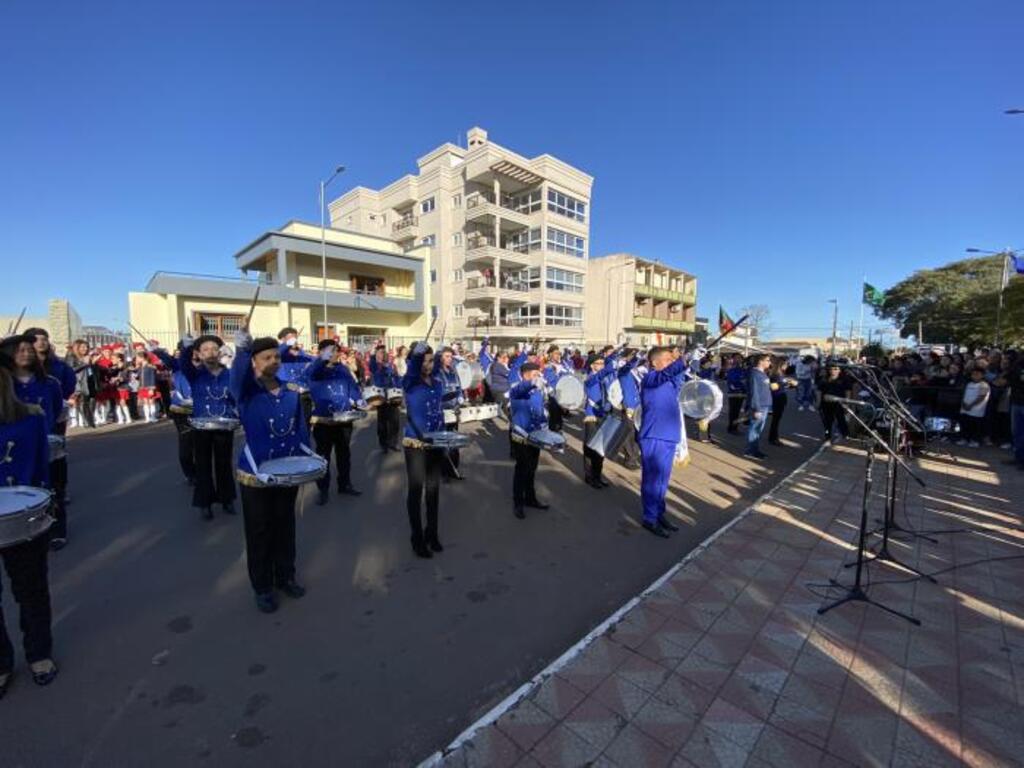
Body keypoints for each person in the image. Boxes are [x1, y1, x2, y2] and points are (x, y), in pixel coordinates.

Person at [230, 332, 311, 614]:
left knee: (285, 526)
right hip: (256, 474)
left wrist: (307, 459)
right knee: (259, 531)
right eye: (266, 357)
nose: (273, 361)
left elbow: (301, 429)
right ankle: (262, 587)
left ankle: (286, 576)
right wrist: (241, 352)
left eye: (276, 356)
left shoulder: (290, 392)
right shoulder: (246, 391)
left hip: (287, 470)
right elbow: (236, 378)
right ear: (254, 361)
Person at [0, 355, 59, 697]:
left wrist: (42, 510)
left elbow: (40, 472)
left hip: (22, 515)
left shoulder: (31, 420)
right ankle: (1, 661)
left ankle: (39, 653)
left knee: (30, 589)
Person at [159, 334, 237, 520]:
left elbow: (235, 396)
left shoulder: (229, 374)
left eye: (214, 349)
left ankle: (227, 499)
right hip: (201, 425)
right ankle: (205, 502)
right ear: (199, 355)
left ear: (220, 352)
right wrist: (186, 348)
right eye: (205, 349)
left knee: (224, 464)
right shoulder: (194, 373)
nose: (210, 352)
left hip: (225, 424)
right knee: (203, 465)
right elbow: (183, 362)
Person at [0, 335, 67, 550]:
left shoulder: (49, 382)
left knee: (50, 487)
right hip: (11, 455)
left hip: (40, 441)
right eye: (20, 350)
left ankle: (54, 529)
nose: (26, 353)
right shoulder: (5, 384)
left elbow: (57, 410)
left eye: (29, 349)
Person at [638, 346, 696, 538]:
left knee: (663, 480)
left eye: (672, 359)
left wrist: (690, 360)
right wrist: (683, 359)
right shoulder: (650, 378)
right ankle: (649, 518)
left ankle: (659, 513)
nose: (671, 362)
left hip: (669, 435)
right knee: (653, 480)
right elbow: (672, 370)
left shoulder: (670, 381)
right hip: (654, 435)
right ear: (655, 363)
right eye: (668, 359)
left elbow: (678, 374)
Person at [401, 342, 446, 558]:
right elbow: (412, 369)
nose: (429, 364)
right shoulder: (410, 382)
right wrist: (417, 356)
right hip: (415, 444)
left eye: (431, 360)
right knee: (416, 491)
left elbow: (439, 413)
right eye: (425, 361)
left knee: (433, 490)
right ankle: (416, 538)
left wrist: (445, 438)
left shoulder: (437, 383)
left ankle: (433, 533)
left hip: (436, 441)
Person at [307, 339, 364, 505]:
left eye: (336, 351)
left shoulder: (343, 369)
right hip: (323, 421)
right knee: (323, 456)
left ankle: (344, 484)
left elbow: (353, 388)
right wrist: (322, 358)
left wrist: (359, 400)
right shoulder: (316, 369)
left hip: (344, 419)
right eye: (331, 351)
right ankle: (323, 489)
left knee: (344, 454)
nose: (335, 354)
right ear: (322, 352)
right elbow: (311, 374)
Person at [508, 362, 551, 519]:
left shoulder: (537, 390)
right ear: (526, 375)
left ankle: (530, 499)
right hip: (521, 435)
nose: (538, 377)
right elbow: (519, 390)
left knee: (532, 468)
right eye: (535, 374)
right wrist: (531, 383)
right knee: (522, 469)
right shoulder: (518, 389)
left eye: (538, 374)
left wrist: (544, 426)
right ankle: (518, 503)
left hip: (535, 434)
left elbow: (539, 410)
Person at [583, 345, 620, 489]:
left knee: (601, 448)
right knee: (591, 447)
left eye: (603, 363)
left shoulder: (606, 378)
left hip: (605, 414)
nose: (602, 365)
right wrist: (607, 369)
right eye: (599, 363)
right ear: (592, 365)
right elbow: (597, 377)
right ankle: (589, 476)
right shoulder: (590, 378)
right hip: (592, 416)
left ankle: (598, 475)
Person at [167, 347, 196, 485]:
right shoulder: (178, 369)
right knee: (186, 444)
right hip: (181, 410)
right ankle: (189, 473)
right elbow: (167, 359)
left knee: (200, 445)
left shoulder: (203, 368)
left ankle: (200, 472)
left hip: (200, 411)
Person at [435, 346, 465, 480]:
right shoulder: (437, 372)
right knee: (443, 441)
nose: (449, 359)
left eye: (451, 356)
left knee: (454, 441)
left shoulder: (453, 371)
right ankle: (444, 472)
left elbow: (459, 387)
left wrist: (461, 396)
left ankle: (454, 470)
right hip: (442, 410)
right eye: (447, 356)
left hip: (454, 409)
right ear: (441, 358)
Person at [277, 327, 315, 428]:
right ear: (283, 339)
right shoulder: (278, 353)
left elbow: (314, 361)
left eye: (295, 338)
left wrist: (325, 356)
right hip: (286, 395)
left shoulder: (301, 353)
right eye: (290, 338)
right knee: (287, 427)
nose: (294, 340)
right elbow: (278, 352)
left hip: (304, 396)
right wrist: (288, 344)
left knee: (305, 426)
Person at [369, 344, 401, 452]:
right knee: (382, 423)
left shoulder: (390, 365)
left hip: (392, 395)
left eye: (384, 352)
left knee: (395, 422)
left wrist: (398, 387)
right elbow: (372, 365)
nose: (383, 354)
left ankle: (393, 443)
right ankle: (384, 444)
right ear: (377, 354)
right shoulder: (375, 365)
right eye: (380, 352)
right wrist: (373, 354)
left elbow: (396, 377)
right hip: (380, 396)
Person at [615, 348, 643, 469]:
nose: (634, 357)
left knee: (638, 433)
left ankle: (634, 457)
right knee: (629, 434)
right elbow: (627, 366)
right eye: (631, 355)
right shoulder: (623, 370)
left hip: (638, 406)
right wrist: (635, 358)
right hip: (628, 406)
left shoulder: (635, 372)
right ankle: (629, 459)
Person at [744, 354, 772, 459]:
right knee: (755, 428)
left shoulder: (762, 373)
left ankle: (754, 449)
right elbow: (754, 392)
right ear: (760, 361)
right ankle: (751, 451)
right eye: (768, 360)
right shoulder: (754, 374)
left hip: (764, 405)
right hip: (759, 406)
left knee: (758, 429)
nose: (769, 362)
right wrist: (756, 409)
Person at [65, 340, 97, 429]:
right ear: (77, 348)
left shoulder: (87, 357)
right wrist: (84, 363)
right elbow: (71, 370)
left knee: (92, 401)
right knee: (82, 402)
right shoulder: (72, 357)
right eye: (83, 347)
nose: (85, 349)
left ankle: (89, 421)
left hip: (89, 381)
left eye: (86, 347)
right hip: (79, 383)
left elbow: (90, 370)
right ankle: (85, 422)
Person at [818, 362, 852, 442]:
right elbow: (819, 391)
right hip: (826, 404)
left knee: (841, 420)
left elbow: (848, 391)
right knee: (827, 422)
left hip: (839, 403)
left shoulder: (844, 379)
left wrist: (847, 403)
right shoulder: (824, 379)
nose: (833, 371)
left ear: (840, 370)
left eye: (836, 369)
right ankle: (827, 436)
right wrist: (818, 402)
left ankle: (845, 435)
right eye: (831, 369)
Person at [958, 366, 990, 448]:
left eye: (977, 374)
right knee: (965, 425)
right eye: (973, 374)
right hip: (965, 409)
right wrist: (964, 404)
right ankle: (964, 439)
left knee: (975, 427)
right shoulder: (969, 384)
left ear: (982, 375)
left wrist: (971, 405)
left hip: (977, 411)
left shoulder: (984, 385)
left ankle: (975, 441)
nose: (975, 375)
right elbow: (963, 395)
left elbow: (982, 397)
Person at [543, 345, 570, 433]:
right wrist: (560, 374)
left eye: (559, 353)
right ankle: (553, 439)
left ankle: (558, 437)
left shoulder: (561, 365)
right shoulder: (548, 366)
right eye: (556, 353)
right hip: (552, 394)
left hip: (561, 393)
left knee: (559, 418)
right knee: (554, 418)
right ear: (550, 354)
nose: (558, 355)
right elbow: (551, 380)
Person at [767, 357, 790, 447]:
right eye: (785, 364)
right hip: (777, 399)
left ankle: (773, 437)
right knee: (775, 420)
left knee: (777, 419)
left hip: (780, 397)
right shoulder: (775, 375)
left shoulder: (780, 374)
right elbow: (773, 387)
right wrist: (784, 383)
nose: (787, 366)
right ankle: (773, 438)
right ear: (780, 365)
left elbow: (780, 386)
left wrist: (788, 384)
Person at [725, 355, 747, 434]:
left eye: (740, 358)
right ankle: (731, 428)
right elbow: (731, 381)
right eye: (736, 358)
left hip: (741, 393)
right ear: (733, 359)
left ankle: (735, 427)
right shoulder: (731, 369)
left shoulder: (743, 370)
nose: (738, 359)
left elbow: (745, 380)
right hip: (733, 393)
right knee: (733, 411)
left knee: (737, 412)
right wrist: (740, 382)